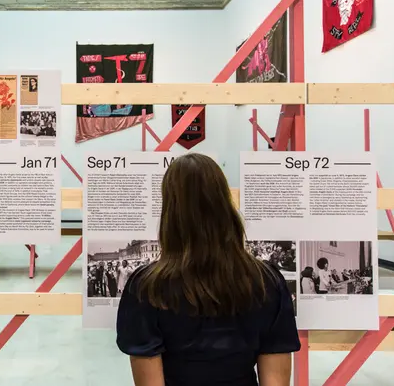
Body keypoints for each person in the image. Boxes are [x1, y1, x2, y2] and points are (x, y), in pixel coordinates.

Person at [116, 153, 300, 386]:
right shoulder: (266, 281)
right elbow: (275, 379)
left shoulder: (147, 287)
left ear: (170, 210)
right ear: (224, 201)